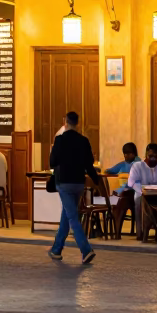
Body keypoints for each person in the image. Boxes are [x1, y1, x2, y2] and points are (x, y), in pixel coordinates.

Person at [47, 111, 97, 265]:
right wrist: (96, 180)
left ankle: (86, 250)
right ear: (78, 123)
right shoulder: (84, 141)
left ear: (65, 122)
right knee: (68, 214)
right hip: (79, 183)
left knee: (73, 217)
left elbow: (52, 162)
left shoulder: (60, 140)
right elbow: (89, 164)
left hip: (64, 183)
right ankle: (56, 249)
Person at [127, 143, 157, 238]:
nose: (153, 158)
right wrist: (143, 190)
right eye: (150, 156)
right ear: (146, 154)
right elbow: (131, 182)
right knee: (139, 199)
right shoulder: (137, 166)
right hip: (143, 194)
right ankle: (141, 232)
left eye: (155, 156)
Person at [106, 142, 140, 235]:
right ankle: (113, 229)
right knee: (111, 198)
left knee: (119, 199)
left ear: (134, 153)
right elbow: (111, 170)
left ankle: (117, 231)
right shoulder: (124, 163)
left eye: (128, 154)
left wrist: (119, 191)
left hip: (133, 193)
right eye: (124, 154)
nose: (125, 156)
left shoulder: (138, 164)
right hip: (124, 192)